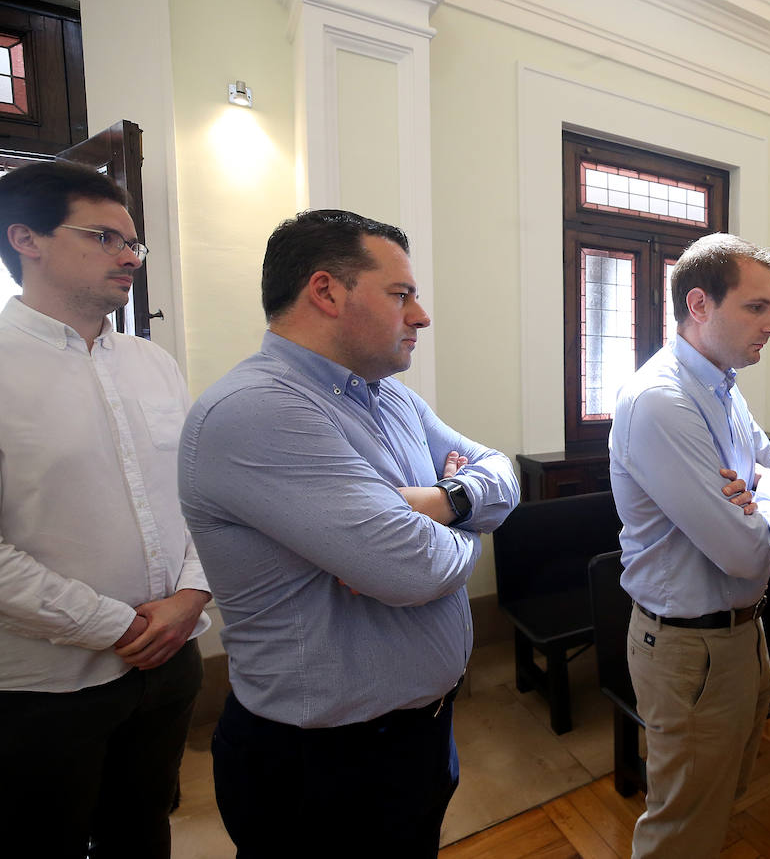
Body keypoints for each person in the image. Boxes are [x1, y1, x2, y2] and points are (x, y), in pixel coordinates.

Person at [179, 209, 519, 856]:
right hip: (323, 762)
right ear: (327, 291)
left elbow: (502, 475)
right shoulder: (258, 410)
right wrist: (468, 529)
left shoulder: (388, 396)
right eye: (401, 294)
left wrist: (443, 500)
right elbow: (413, 572)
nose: (420, 316)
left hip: (417, 733)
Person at [0, 161, 212, 858]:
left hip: (169, 663)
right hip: (48, 686)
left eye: (134, 244)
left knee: (142, 826)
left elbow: (196, 493)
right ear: (25, 238)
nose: (128, 255)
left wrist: (191, 594)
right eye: (104, 237)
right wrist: (116, 625)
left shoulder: (153, 364)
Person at [609, 232, 770, 858]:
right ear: (699, 304)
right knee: (681, 830)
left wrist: (759, 493)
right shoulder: (663, 401)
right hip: (691, 648)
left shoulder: (723, 384)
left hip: (739, 634)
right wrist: (765, 502)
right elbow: (744, 551)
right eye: (757, 307)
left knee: (715, 804)